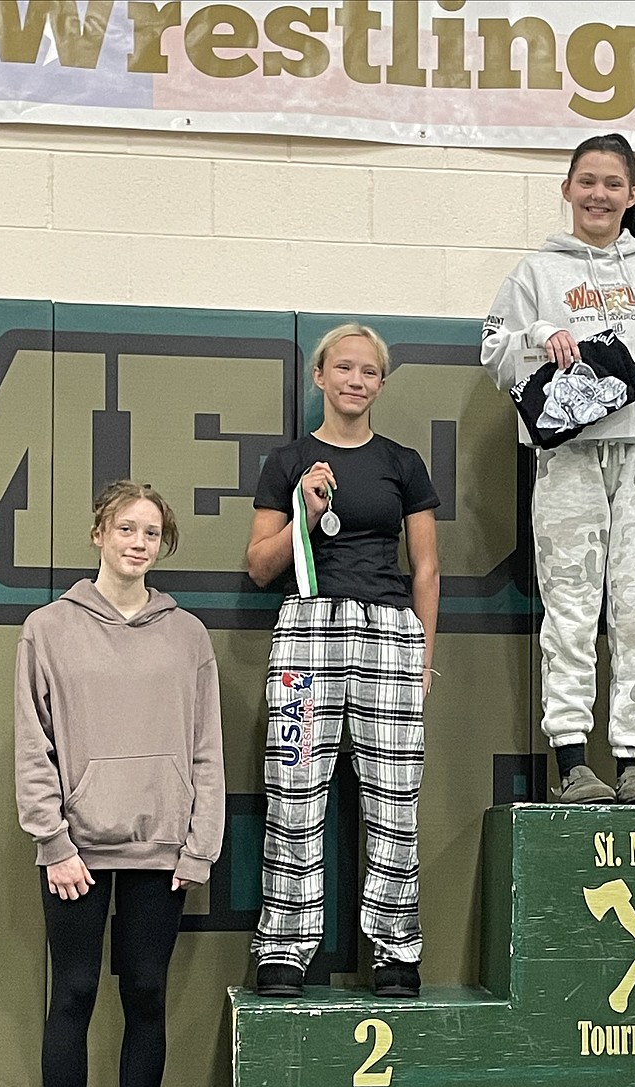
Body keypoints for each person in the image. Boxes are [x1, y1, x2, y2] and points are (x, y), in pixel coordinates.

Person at [481, 132, 635, 804]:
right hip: (569, 456)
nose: (598, 194)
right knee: (570, 610)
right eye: (586, 181)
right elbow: (492, 347)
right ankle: (571, 762)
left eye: (612, 184)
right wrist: (539, 338)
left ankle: (632, 762)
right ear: (566, 189)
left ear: (633, 194)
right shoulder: (537, 272)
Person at [15, 481, 225, 1087]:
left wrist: (196, 850)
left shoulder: (188, 635)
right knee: (72, 994)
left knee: (145, 995)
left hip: (161, 852)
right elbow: (33, 745)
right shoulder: (48, 628)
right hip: (73, 853)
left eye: (151, 533)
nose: (138, 543)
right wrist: (55, 840)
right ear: (99, 532)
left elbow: (205, 750)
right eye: (126, 528)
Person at [246, 323, 440, 999]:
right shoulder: (290, 462)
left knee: (395, 802)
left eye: (369, 372)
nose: (356, 380)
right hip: (308, 627)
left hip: (389, 631)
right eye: (345, 368)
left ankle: (395, 951)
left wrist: (424, 657)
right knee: (296, 791)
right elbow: (260, 564)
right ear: (320, 377)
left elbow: (426, 569)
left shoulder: (403, 462)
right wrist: (302, 507)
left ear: (380, 384)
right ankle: (284, 947)